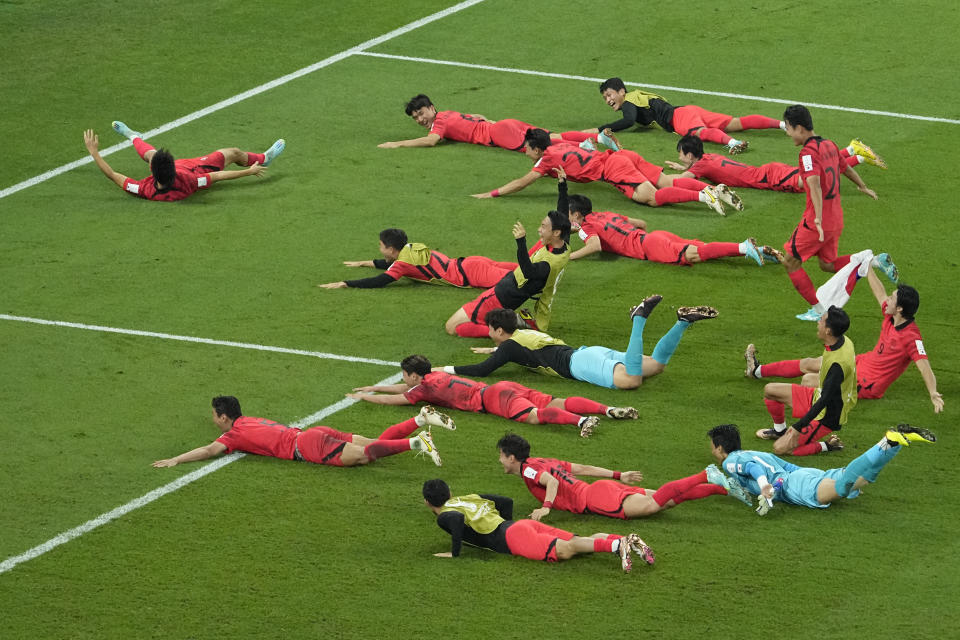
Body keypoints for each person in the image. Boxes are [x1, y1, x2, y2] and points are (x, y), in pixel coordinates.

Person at [745, 271, 943, 414]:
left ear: (899, 309)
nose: (888, 299)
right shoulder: (891, 315)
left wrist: (933, 392)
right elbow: (879, 293)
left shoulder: (911, 337)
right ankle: (756, 370)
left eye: (893, 298)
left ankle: (814, 420)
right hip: (862, 362)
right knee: (810, 363)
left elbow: (924, 366)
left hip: (867, 383)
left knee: (808, 380)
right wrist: (867, 268)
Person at [445, 297, 716, 391]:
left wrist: (444, 370)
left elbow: (482, 371)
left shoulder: (508, 347)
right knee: (655, 366)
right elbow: (523, 347)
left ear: (499, 330)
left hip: (579, 365)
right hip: (588, 353)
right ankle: (683, 321)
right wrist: (495, 349)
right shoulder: (523, 332)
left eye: (490, 330)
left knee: (632, 381)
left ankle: (638, 319)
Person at [348, 354, 639, 438]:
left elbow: (396, 398)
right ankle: (607, 408)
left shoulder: (424, 389)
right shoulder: (436, 376)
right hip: (503, 387)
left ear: (413, 375)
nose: (402, 379)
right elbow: (402, 389)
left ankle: (580, 422)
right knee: (554, 402)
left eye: (404, 375)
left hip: (495, 401)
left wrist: (366, 397)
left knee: (537, 418)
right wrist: (370, 387)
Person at [496, 433, 751, 523]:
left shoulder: (528, 469)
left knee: (654, 505)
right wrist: (619, 475)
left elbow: (551, 483)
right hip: (601, 487)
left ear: (511, 457)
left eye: (501, 456)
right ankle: (723, 488)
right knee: (669, 500)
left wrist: (545, 508)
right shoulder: (544, 460)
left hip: (596, 500)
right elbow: (583, 467)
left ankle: (705, 474)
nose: (500, 461)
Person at [472, 129, 734, 215]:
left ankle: (704, 198)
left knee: (652, 198)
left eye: (527, 149)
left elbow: (521, 182)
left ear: (537, 149)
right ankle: (711, 189)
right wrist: (606, 138)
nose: (525, 152)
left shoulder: (545, 161)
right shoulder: (559, 143)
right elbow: (587, 141)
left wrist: (492, 193)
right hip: (622, 156)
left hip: (613, 168)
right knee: (666, 181)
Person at [152, 396, 451, 469]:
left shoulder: (232, 436)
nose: (213, 420)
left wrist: (176, 459)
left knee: (365, 457)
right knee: (375, 442)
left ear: (224, 417)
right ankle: (419, 419)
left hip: (306, 447)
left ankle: (416, 442)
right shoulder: (249, 420)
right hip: (311, 433)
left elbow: (207, 451)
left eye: (215, 416)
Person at [421, 479, 654, 572]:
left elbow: (456, 521)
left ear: (427, 502)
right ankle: (621, 540)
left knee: (565, 550)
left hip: (515, 538)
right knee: (575, 541)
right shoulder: (467, 497)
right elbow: (505, 501)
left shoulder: (444, 515)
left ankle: (617, 546)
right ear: (450, 492)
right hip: (517, 527)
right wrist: (508, 524)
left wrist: (454, 553)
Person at [707, 423, 937, 515]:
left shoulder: (731, 461)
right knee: (861, 480)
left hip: (795, 485)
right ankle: (896, 442)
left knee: (845, 484)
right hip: (802, 475)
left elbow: (753, 469)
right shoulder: (756, 452)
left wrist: (765, 486)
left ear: (719, 447)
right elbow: (787, 465)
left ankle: (886, 442)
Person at [778, 105, 873, 310]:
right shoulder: (830, 145)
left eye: (788, 128)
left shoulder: (807, 154)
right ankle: (871, 261)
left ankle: (818, 310)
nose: (788, 133)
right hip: (836, 219)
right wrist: (862, 186)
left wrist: (818, 220)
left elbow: (814, 186)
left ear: (800, 128)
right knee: (827, 265)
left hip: (816, 222)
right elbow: (844, 167)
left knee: (789, 262)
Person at [558, 176, 765, 265]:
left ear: (576, 215)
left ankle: (745, 248)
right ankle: (760, 250)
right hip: (653, 236)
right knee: (701, 248)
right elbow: (641, 223)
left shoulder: (586, 227)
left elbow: (595, 245)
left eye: (568, 214)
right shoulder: (606, 214)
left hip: (650, 247)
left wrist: (570, 256)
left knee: (696, 254)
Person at [83, 122, 285, 202]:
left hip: (170, 171)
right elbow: (217, 176)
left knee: (152, 155)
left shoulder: (145, 190)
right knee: (232, 153)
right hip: (197, 167)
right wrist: (248, 172)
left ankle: (133, 136)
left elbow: (112, 175)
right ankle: (263, 159)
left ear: (154, 174)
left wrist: (94, 152)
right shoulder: (189, 181)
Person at [753, 306, 857, 456]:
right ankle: (779, 430)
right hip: (817, 396)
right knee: (770, 390)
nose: (818, 322)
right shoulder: (843, 340)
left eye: (821, 320)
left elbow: (825, 400)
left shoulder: (837, 366)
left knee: (781, 449)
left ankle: (826, 445)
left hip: (826, 416)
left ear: (828, 331)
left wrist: (798, 427)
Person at [445, 214, 569, 337]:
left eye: (543, 226)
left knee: (451, 327)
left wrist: (521, 241)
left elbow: (527, 271)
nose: (539, 229)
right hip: (509, 296)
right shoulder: (564, 248)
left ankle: (508, 331)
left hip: (498, 297)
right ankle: (511, 323)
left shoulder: (546, 265)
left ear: (557, 232)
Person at [585, 77, 785, 154]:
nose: (608, 100)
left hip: (678, 118)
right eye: (604, 98)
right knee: (736, 122)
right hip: (687, 110)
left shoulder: (629, 100)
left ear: (621, 91)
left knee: (700, 133)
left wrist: (601, 129)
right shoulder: (636, 97)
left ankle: (732, 143)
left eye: (609, 94)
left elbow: (628, 120)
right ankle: (783, 124)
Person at [378, 93, 611, 151]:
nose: (419, 119)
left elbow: (431, 141)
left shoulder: (440, 123)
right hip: (501, 125)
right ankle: (596, 138)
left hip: (498, 134)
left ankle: (583, 147)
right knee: (552, 136)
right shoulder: (447, 113)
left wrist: (397, 144)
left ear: (431, 108)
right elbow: (473, 118)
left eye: (421, 113)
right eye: (415, 117)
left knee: (542, 146)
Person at [666, 134, 883, 194]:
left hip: (770, 178)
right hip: (770, 171)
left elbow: (680, 182)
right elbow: (697, 170)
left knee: (815, 177)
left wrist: (654, 175)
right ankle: (855, 152)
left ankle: (857, 153)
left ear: (689, 153)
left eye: (681, 154)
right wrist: (686, 168)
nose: (679, 157)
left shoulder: (700, 167)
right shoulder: (707, 157)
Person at [318, 228, 517, 289]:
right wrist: (364, 263)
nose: (378, 248)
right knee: (526, 267)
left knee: (524, 280)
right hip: (471, 262)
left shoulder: (402, 264)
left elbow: (381, 281)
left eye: (380, 245)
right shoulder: (410, 248)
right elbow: (390, 264)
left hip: (471, 274)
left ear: (391, 248)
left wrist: (346, 283)